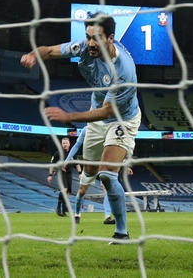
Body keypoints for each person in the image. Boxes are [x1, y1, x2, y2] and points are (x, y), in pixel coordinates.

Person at [22, 13, 141, 243]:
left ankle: (122, 232)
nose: (90, 43)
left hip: (122, 119)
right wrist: (33, 55)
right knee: (89, 174)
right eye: (87, 37)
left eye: (96, 38)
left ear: (110, 38)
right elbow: (49, 50)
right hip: (97, 117)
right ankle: (78, 211)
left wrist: (69, 116)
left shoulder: (124, 71)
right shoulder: (83, 48)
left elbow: (108, 112)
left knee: (107, 174)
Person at [64, 126, 132, 224]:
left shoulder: (108, 129)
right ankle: (77, 214)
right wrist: (67, 160)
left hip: (104, 163)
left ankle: (107, 217)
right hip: (90, 164)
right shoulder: (86, 129)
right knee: (82, 191)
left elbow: (114, 148)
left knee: (107, 190)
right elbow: (77, 145)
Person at [48, 137, 81, 217]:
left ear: (69, 144)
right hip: (60, 172)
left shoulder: (72, 153)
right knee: (64, 189)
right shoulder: (58, 153)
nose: (65, 145)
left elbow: (77, 164)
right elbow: (52, 165)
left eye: (66, 143)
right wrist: (50, 175)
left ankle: (63, 209)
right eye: (63, 143)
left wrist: (80, 173)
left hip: (69, 173)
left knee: (68, 191)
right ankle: (58, 207)